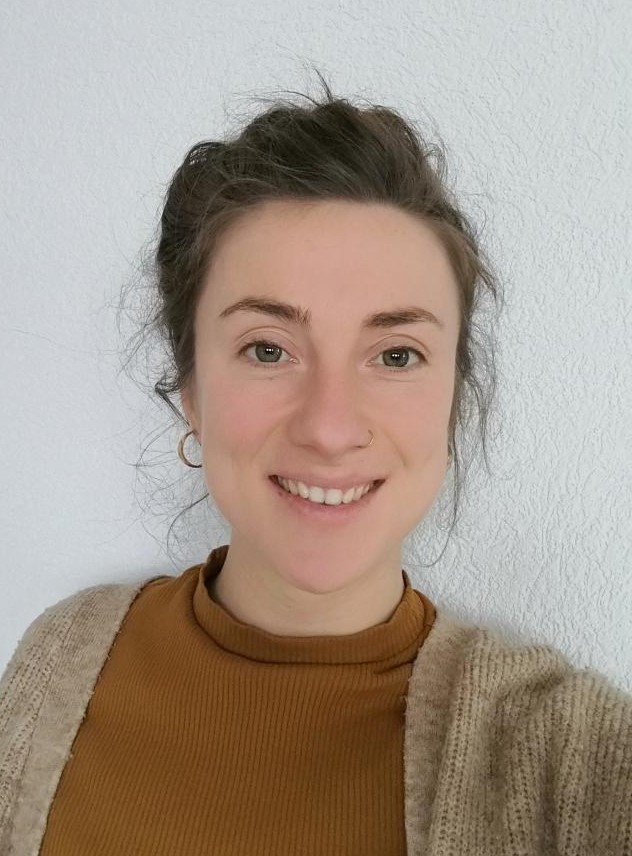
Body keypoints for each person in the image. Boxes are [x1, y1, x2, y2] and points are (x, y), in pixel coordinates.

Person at [1, 75, 631, 856]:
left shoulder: (576, 756)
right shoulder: (59, 655)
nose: (330, 428)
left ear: (451, 397)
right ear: (191, 389)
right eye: (268, 349)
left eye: (395, 355)